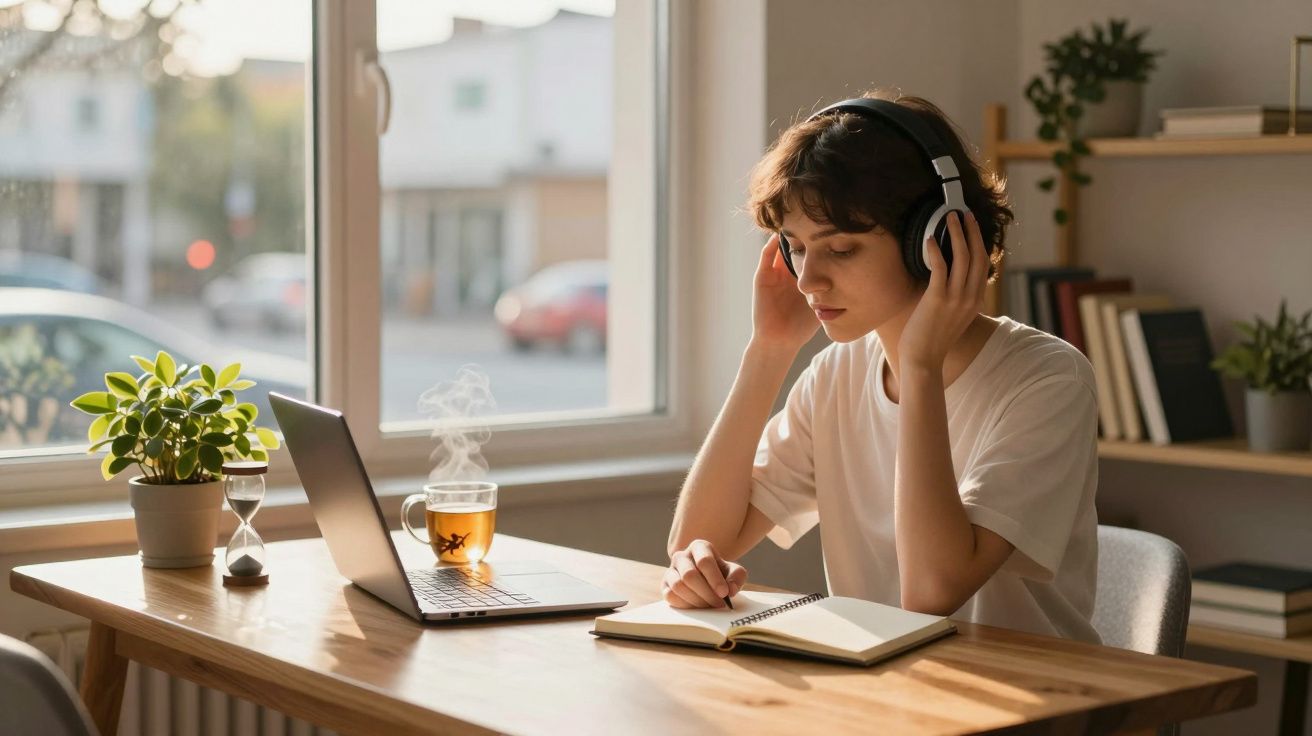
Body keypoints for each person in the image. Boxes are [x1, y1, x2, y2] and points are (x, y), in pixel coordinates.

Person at [664, 90, 1101, 643]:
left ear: (934, 240)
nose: (806, 280)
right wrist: (768, 351)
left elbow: (930, 593)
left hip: (1035, 708)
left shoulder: (1048, 381)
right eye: (796, 247)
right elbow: (696, 544)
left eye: (841, 250)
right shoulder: (833, 376)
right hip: (887, 696)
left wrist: (920, 368)